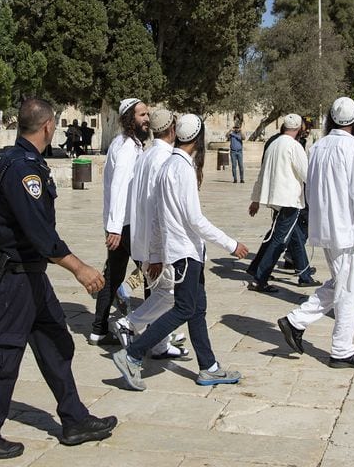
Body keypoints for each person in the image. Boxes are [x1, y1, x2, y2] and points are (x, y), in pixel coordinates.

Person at [0, 98, 116, 459]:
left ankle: (74, 419)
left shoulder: (22, 161)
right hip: (16, 279)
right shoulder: (22, 170)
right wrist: (80, 268)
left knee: (55, 343)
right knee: (3, 354)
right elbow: (39, 233)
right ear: (48, 126)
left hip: (32, 277)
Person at [112, 113, 249, 392]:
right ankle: (132, 354)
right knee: (184, 308)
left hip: (183, 252)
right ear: (198, 139)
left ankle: (208, 367)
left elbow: (159, 217)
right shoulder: (181, 169)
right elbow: (195, 220)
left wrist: (156, 253)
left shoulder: (169, 165)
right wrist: (231, 244)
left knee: (197, 309)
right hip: (185, 252)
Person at [276, 97, 354, 369]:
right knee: (350, 293)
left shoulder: (318, 146)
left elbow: (311, 187)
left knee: (340, 283)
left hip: (326, 226)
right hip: (347, 229)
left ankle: (295, 322)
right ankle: (342, 350)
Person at [111, 107, 189, 359]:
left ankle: (159, 344)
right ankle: (131, 322)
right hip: (158, 243)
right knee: (171, 295)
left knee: (159, 292)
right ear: (173, 129)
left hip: (142, 238)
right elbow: (159, 208)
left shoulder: (145, 155)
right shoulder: (164, 159)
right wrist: (158, 252)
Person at [89, 98, 149, 345]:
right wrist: (114, 227)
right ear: (128, 118)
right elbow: (119, 187)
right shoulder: (125, 147)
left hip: (123, 224)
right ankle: (153, 333)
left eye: (147, 114)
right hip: (126, 225)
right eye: (142, 115)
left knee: (113, 277)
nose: (147, 119)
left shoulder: (131, 144)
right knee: (152, 274)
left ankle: (98, 329)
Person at [246, 113, 316, 292]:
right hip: (289, 199)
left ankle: (304, 274)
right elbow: (307, 174)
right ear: (299, 128)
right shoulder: (294, 146)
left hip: (276, 198)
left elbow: (262, 173)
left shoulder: (273, 144)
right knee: (280, 240)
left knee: (289, 236)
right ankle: (259, 278)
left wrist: (256, 198)